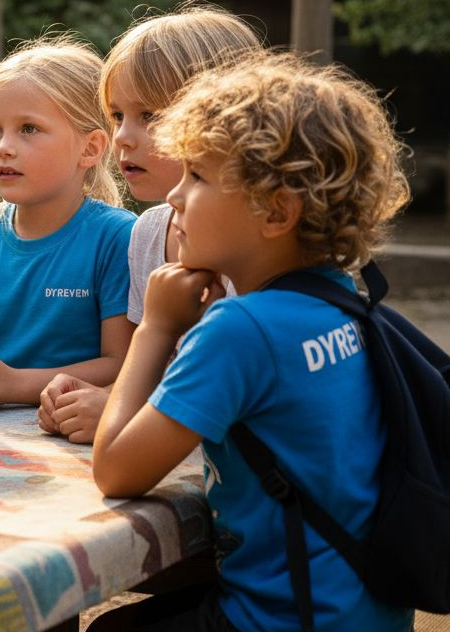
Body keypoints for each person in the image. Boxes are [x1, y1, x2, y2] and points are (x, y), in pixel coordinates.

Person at [90, 51, 413, 631]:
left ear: (277, 212)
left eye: (198, 176)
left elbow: (115, 471)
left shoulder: (241, 330)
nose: (174, 198)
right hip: (365, 612)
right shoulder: (340, 297)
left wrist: (159, 326)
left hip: (284, 619)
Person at [37, 3, 263, 444]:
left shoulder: (260, 245)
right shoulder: (147, 234)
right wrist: (94, 395)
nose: (122, 136)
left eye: (151, 116)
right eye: (118, 115)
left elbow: (253, 392)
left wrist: (122, 409)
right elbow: (154, 368)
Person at [0, 36, 134, 406]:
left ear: (90, 148)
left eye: (29, 129)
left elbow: (124, 366)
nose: (3, 146)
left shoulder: (118, 235)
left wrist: (15, 384)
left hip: (71, 434)